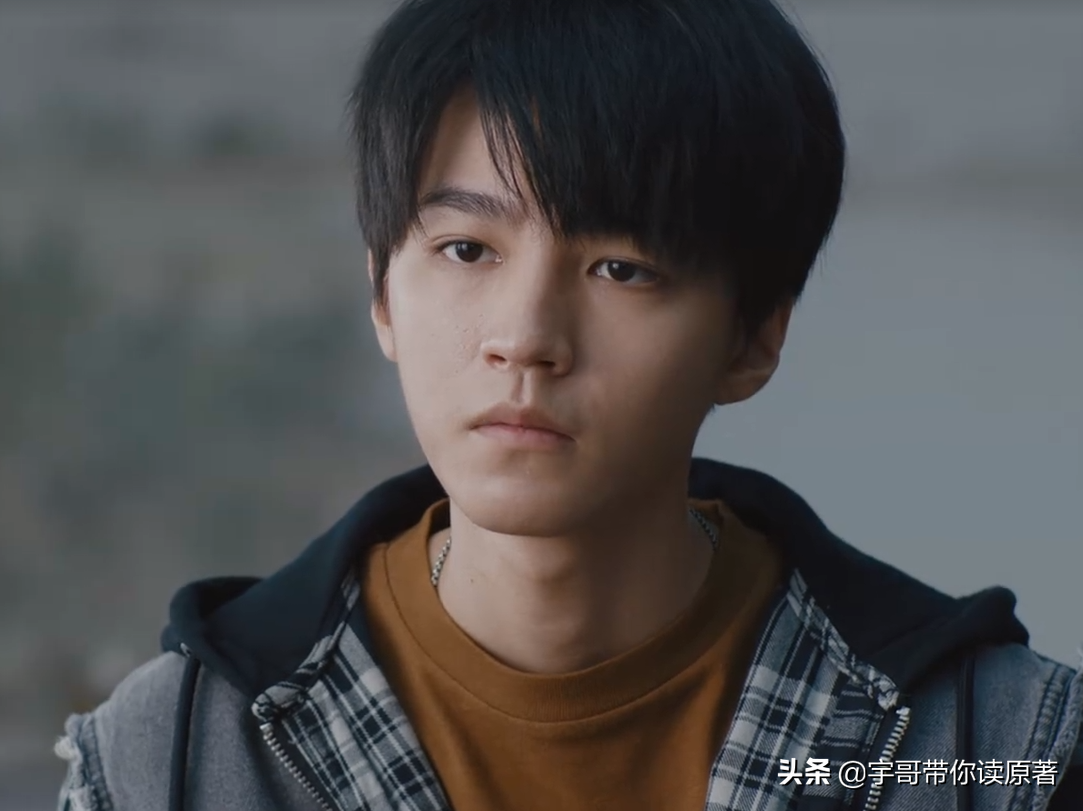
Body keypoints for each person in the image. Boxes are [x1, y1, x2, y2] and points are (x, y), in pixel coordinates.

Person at [56, 0, 1081, 809]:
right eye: (467, 249)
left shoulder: (990, 748)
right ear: (383, 293)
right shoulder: (170, 757)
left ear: (753, 337)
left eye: (621, 268)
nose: (526, 336)